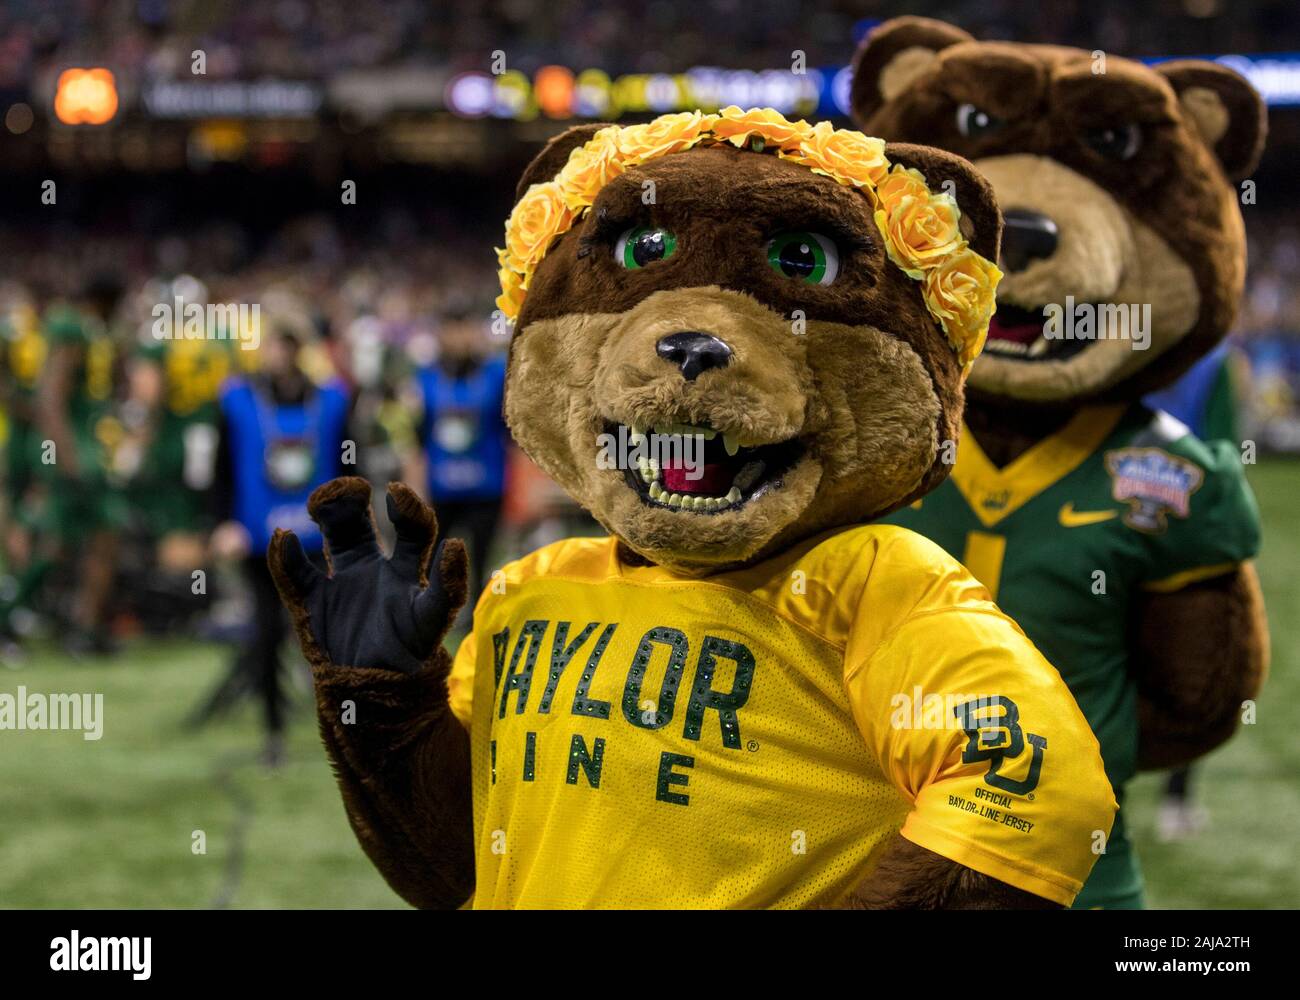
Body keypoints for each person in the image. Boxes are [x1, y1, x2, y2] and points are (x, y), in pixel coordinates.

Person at [193, 318, 350, 762]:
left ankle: (342, 730)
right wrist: (222, 522)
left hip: (314, 543)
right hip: (257, 540)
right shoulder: (236, 400)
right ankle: (274, 732)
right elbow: (220, 469)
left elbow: (348, 464)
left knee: (325, 639)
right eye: (268, 345)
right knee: (264, 636)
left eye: (282, 344)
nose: (273, 353)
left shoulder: (332, 400)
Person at [34, 273, 130, 656]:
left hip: (87, 447)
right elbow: (50, 397)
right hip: (76, 450)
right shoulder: (72, 326)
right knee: (62, 541)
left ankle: (83, 627)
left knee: (88, 539)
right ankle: (17, 613)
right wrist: (67, 457)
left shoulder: (93, 331)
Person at [408, 307, 508, 607]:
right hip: (441, 489)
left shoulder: (495, 374)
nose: (459, 338)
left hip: (486, 488)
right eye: (452, 329)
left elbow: (511, 432)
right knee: (431, 564)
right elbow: (416, 437)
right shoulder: (424, 378)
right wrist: (416, 485)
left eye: (464, 328)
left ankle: (478, 629)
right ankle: (425, 623)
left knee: (482, 564)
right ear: (441, 334)